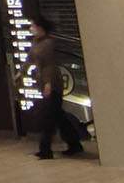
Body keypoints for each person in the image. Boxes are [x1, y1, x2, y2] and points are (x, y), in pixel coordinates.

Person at [24, 14, 85, 159]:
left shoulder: (48, 44)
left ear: (40, 28)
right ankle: (74, 144)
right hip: (45, 84)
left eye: (33, 26)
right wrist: (21, 73)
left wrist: (48, 83)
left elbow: (49, 65)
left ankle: (45, 149)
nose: (31, 28)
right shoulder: (36, 42)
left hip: (52, 84)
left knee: (48, 118)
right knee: (58, 116)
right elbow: (30, 59)